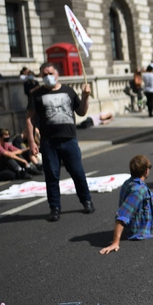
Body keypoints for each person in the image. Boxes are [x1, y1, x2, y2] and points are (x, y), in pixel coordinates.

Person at [26, 62, 94, 221]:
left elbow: (82, 112)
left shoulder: (69, 91)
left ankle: (86, 200)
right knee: (51, 176)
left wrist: (85, 97)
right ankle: (54, 207)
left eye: (49, 73)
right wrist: (31, 141)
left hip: (69, 140)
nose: (47, 77)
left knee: (78, 173)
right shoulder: (36, 94)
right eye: (44, 75)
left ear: (57, 74)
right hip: (49, 142)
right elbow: (30, 118)